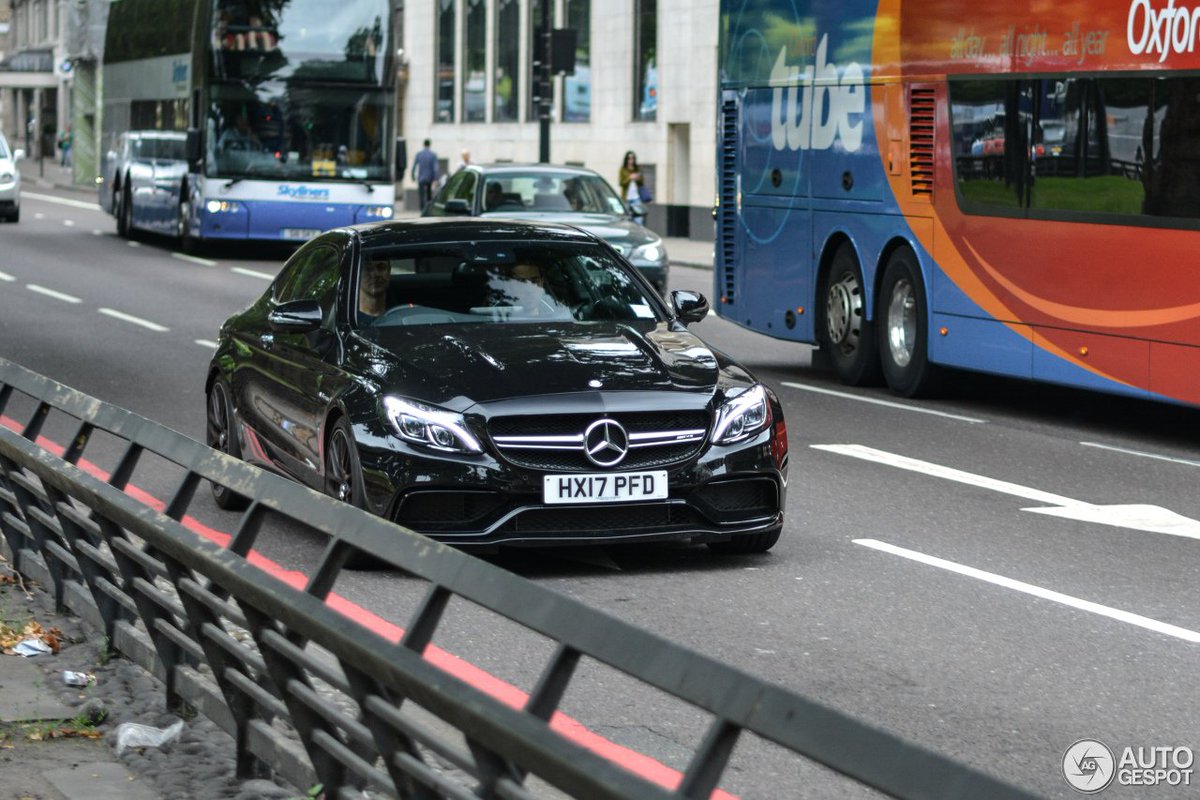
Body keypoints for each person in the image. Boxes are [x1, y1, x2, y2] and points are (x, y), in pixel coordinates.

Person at [358, 258, 390, 324]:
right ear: (357, 273)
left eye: (381, 267)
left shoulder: (401, 311)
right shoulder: (347, 316)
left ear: (389, 271)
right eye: (368, 268)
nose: (375, 274)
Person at [618, 150, 645, 223]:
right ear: (626, 159)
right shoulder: (623, 169)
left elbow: (642, 182)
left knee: (639, 220)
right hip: (626, 198)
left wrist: (637, 178)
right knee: (626, 220)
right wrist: (629, 178)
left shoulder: (637, 169)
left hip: (636, 197)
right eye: (629, 158)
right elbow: (621, 183)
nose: (631, 160)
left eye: (632, 158)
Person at [412, 139, 439, 210]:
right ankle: (428, 208)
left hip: (421, 177)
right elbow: (435, 167)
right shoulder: (433, 155)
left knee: (421, 194)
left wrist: (412, 176)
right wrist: (436, 178)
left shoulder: (419, 154)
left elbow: (414, 166)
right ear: (430, 145)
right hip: (430, 178)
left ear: (423, 145)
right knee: (429, 194)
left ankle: (421, 209)